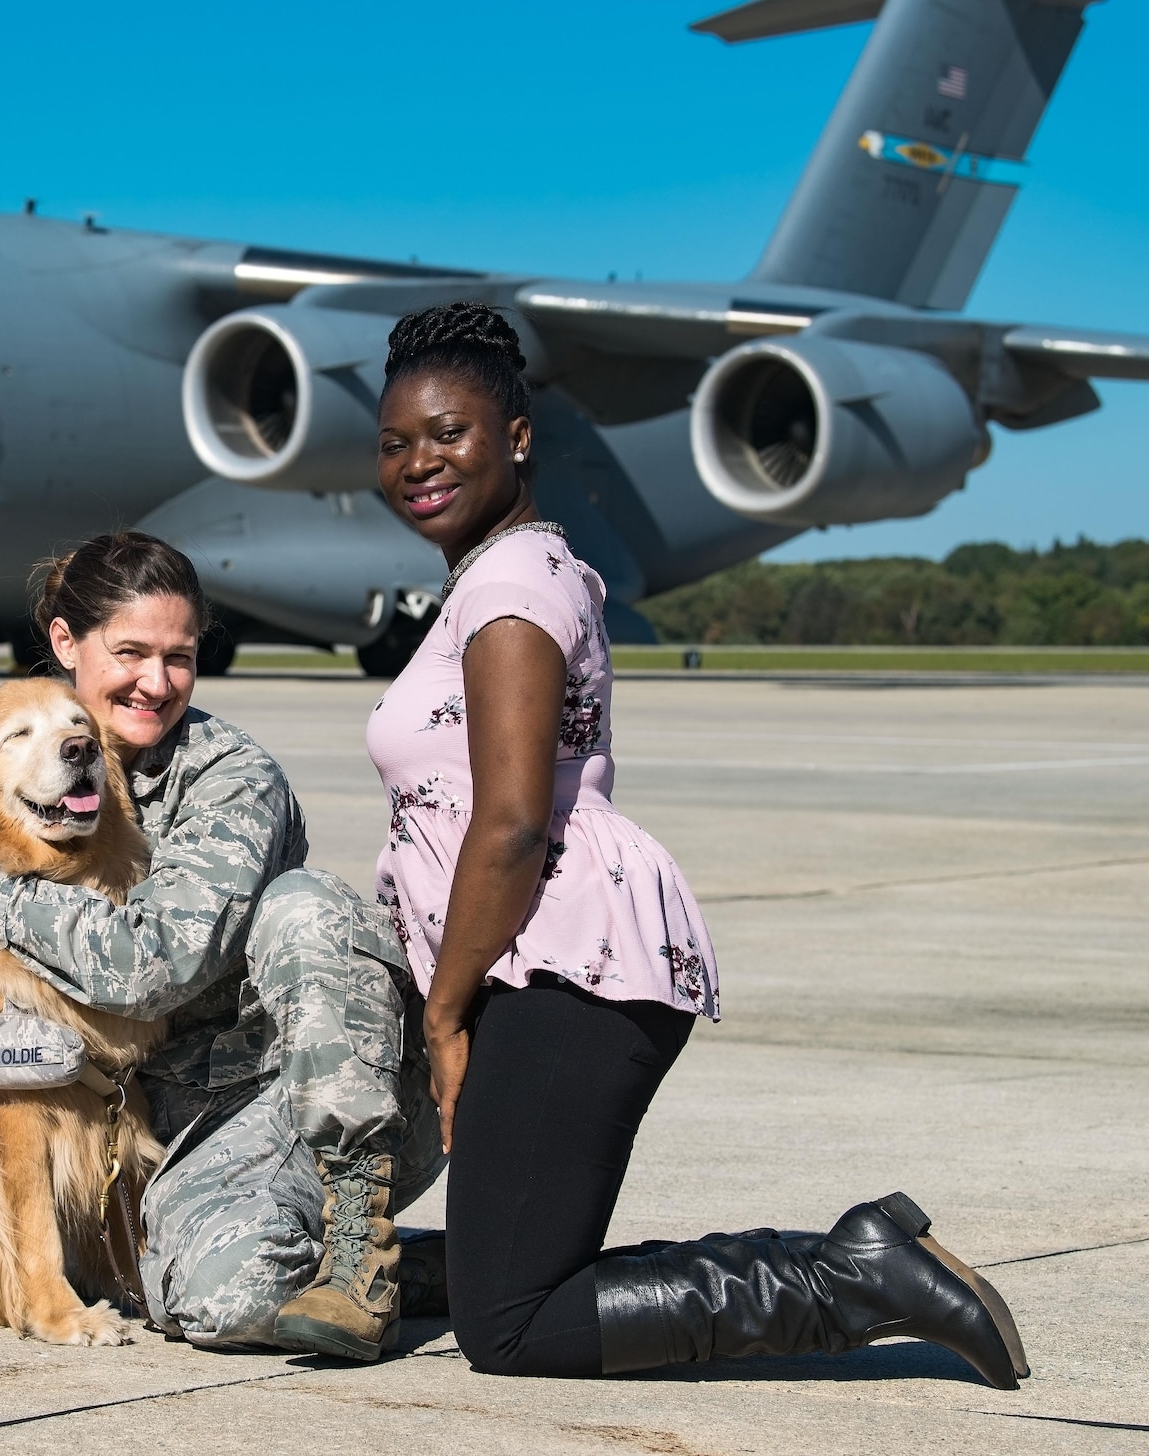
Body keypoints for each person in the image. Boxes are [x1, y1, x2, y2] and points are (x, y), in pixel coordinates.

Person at [368, 302, 1028, 1387]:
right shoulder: (523, 570)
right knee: (512, 1288)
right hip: (550, 959)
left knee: (513, 1325)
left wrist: (441, 1013)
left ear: (518, 437)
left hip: (564, 963)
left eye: (448, 434)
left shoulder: (504, 588)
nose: (416, 463)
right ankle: (845, 1268)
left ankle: (847, 1279)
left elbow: (510, 820)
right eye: (394, 443)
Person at [0, 532, 443, 1360]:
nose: (157, 681)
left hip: (299, 1094)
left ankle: (361, 1246)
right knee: (209, 1303)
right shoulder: (35, 768)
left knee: (302, 907)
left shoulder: (230, 779)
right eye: (130, 652)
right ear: (67, 643)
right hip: (184, 1126)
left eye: (179, 657)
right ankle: (431, 1274)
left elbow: (153, 968)